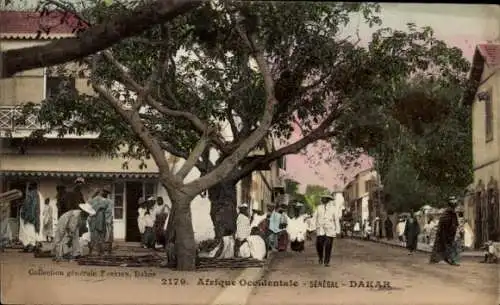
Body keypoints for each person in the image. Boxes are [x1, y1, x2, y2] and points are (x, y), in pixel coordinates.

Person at [429, 196, 460, 266]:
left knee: (447, 246)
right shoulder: (448, 212)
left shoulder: (451, 212)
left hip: (449, 233)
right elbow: (444, 223)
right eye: (454, 203)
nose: (455, 204)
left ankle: (448, 259)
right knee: (445, 246)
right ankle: (450, 260)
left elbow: (454, 223)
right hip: (445, 233)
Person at [88, 188, 114, 256]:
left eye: (106, 192)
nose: (104, 193)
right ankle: (95, 250)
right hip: (96, 217)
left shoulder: (108, 201)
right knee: (95, 234)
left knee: (101, 234)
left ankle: (100, 251)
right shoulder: (97, 199)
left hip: (101, 217)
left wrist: (107, 220)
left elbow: (109, 211)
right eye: (104, 192)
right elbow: (89, 205)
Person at [19, 182, 43, 252]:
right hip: (36, 217)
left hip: (29, 217)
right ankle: (32, 245)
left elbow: (28, 206)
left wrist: (26, 216)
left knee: (27, 231)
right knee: (32, 231)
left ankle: (29, 246)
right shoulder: (39, 195)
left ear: (31, 187)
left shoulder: (30, 194)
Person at [314, 194, 337, 267]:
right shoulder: (318, 208)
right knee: (319, 244)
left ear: (328, 200)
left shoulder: (333, 208)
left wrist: (338, 230)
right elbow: (314, 217)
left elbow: (336, 219)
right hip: (320, 228)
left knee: (328, 245)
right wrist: (311, 227)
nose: (323, 200)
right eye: (322, 198)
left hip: (330, 229)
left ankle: (327, 261)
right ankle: (320, 257)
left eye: (324, 198)